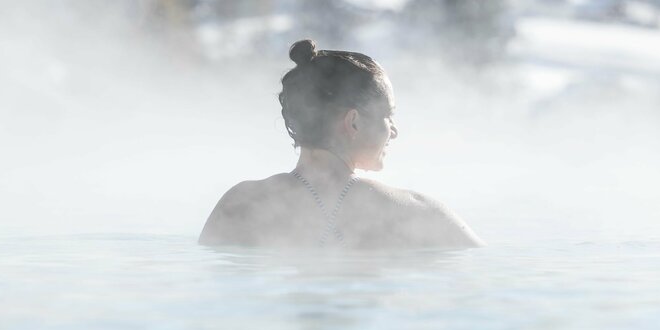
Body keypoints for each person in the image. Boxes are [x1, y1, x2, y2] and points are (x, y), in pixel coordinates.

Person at [199, 39, 484, 249]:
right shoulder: (417, 212)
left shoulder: (241, 204)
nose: (394, 131)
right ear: (354, 122)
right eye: (388, 115)